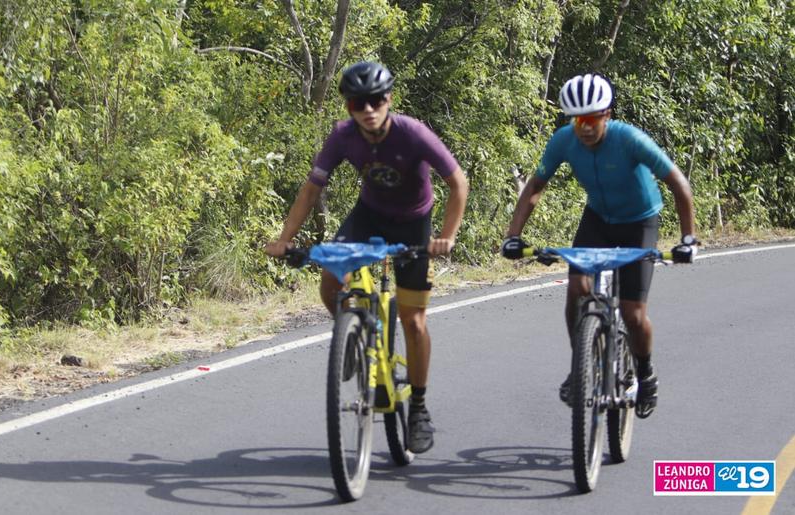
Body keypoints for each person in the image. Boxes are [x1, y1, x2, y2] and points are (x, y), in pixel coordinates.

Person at [266, 61, 469, 452]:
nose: (369, 109)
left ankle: (419, 408)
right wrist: (284, 240)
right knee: (330, 278)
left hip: (413, 222)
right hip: (369, 216)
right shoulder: (343, 136)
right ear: (349, 107)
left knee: (414, 321)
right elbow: (311, 189)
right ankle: (355, 336)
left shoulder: (413, 133)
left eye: (376, 100)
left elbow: (458, 183)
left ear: (389, 99)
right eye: (359, 103)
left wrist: (446, 237)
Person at [501, 73, 697, 418]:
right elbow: (535, 187)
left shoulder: (630, 139)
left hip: (639, 221)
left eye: (592, 119)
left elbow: (678, 183)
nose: (586, 128)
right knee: (576, 289)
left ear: (607, 114)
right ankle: (581, 365)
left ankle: (646, 374)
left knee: (634, 314)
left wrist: (688, 239)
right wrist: (513, 236)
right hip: (598, 220)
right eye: (578, 120)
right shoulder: (563, 141)